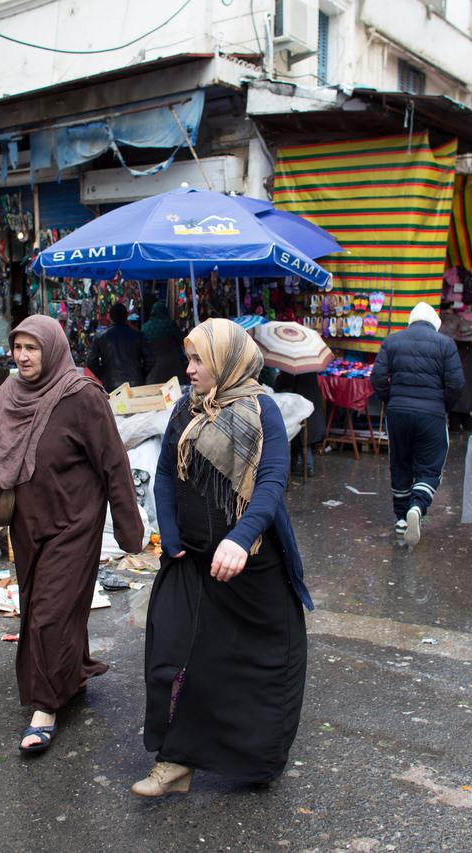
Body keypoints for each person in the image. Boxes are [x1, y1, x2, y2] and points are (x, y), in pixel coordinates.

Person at [0, 315, 143, 754]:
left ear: (52, 349)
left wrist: (130, 530)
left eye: (32, 348)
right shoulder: (8, 394)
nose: (22, 356)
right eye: (17, 347)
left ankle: (45, 707)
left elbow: (114, 464)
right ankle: (68, 678)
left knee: (49, 614)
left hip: (75, 524)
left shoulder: (82, 397)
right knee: (40, 607)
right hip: (28, 525)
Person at [136, 318, 311, 797]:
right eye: (189, 358)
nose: (188, 369)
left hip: (253, 568)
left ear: (227, 362)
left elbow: (271, 482)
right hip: (190, 560)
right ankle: (175, 761)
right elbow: (168, 476)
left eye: (198, 360)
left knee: (256, 668)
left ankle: (258, 760)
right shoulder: (185, 411)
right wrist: (170, 536)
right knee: (171, 658)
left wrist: (240, 537)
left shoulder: (262, 411)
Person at [370, 302, 465, 547]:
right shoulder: (446, 344)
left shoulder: (391, 341)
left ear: (411, 321)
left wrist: (390, 399)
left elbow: (378, 378)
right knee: (430, 464)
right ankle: (417, 506)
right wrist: (441, 404)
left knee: (400, 460)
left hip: (398, 413)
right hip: (431, 414)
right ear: (435, 323)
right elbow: (456, 384)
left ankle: (402, 517)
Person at [86, 302, 153, 391]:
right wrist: (140, 373)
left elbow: (91, 361)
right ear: (126, 316)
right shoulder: (138, 336)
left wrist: (103, 374)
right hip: (135, 383)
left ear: (110, 317)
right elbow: (150, 360)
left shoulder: (100, 337)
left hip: (111, 383)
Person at [439, 302, 472, 433]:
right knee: (462, 406)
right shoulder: (464, 331)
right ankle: (460, 424)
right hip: (464, 375)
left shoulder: (445, 331)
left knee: (459, 407)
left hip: (457, 376)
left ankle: (458, 425)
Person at [143, 302, 188, 385]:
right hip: (173, 366)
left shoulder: (145, 328)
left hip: (154, 369)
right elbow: (182, 340)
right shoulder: (170, 324)